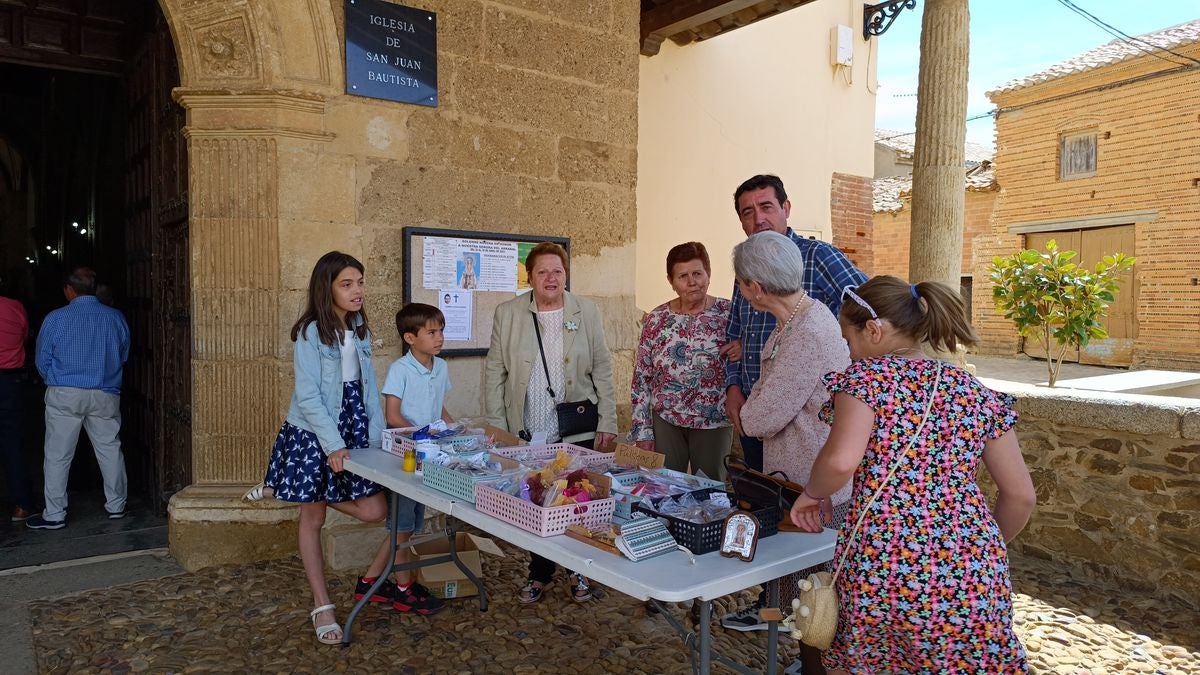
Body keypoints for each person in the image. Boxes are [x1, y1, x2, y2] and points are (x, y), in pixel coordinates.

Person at [789, 275, 1036, 673]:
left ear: (873, 330)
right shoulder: (971, 389)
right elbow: (1021, 495)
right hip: (971, 568)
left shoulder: (867, 381)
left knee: (871, 663)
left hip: (884, 560)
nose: (849, 352)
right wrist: (976, 551)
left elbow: (840, 462)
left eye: (848, 340)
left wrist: (812, 494)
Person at [719, 233, 852, 673]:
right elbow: (766, 393)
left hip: (813, 489)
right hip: (798, 481)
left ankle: (816, 667)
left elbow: (760, 418)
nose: (740, 292)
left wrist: (750, 407)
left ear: (756, 288)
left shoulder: (807, 331)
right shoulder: (794, 321)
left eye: (741, 283)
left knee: (814, 596)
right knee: (802, 592)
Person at [247, 251, 390, 645]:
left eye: (360, 282)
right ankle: (322, 604)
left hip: (353, 426)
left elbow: (369, 391)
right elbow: (308, 397)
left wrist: (377, 439)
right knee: (313, 518)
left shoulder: (360, 329)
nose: (358, 290)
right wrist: (333, 444)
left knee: (374, 510)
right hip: (315, 431)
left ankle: (289, 486)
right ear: (326, 288)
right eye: (347, 284)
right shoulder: (311, 333)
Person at [484, 241, 617, 604]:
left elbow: (603, 369)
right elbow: (494, 372)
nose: (551, 278)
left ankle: (579, 570)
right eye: (542, 271)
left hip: (577, 425)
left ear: (566, 274)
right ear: (529, 277)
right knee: (537, 498)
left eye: (557, 271)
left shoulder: (586, 311)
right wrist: (497, 428)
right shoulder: (508, 313)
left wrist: (608, 419)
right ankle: (539, 572)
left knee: (577, 496)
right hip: (529, 426)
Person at [720, 174, 867, 474]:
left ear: (786, 208)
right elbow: (735, 333)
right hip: (756, 413)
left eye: (766, 207)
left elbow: (870, 310)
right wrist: (733, 386)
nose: (758, 219)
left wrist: (842, 355)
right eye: (748, 212)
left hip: (806, 427)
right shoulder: (747, 266)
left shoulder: (818, 256)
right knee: (768, 489)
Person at [354, 303, 451, 616]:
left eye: (441, 331)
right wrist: (422, 434)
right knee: (402, 527)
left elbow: (440, 409)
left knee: (405, 528)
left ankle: (369, 581)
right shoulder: (400, 369)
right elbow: (393, 416)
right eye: (431, 332)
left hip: (430, 456)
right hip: (404, 457)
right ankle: (403, 588)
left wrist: (457, 430)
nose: (439, 337)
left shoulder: (441, 367)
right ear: (410, 338)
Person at [27, 267, 130, 530]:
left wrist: (56, 378)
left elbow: (42, 359)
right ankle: (117, 505)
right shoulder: (115, 317)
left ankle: (55, 514)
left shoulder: (55, 318)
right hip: (105, 391)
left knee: (58, 454)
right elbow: (123, 354)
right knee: (109, 449)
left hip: (65, 392)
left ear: (68, 290)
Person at [629, 242, 732, 479]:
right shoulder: (657, 319)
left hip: (713, 420)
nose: (691, 281)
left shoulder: (728, 313)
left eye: (697, 273)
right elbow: (642, 378)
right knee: (663, 486)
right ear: (671, 281)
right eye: (682, 276)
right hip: (666, 421)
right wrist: (642, 431)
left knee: (710, 488)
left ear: (708, 274)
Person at [0, 279, 35, 522]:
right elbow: (24, 337)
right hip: (9, 382)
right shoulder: (15, 307)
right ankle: (22, 504)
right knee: (13, 443)